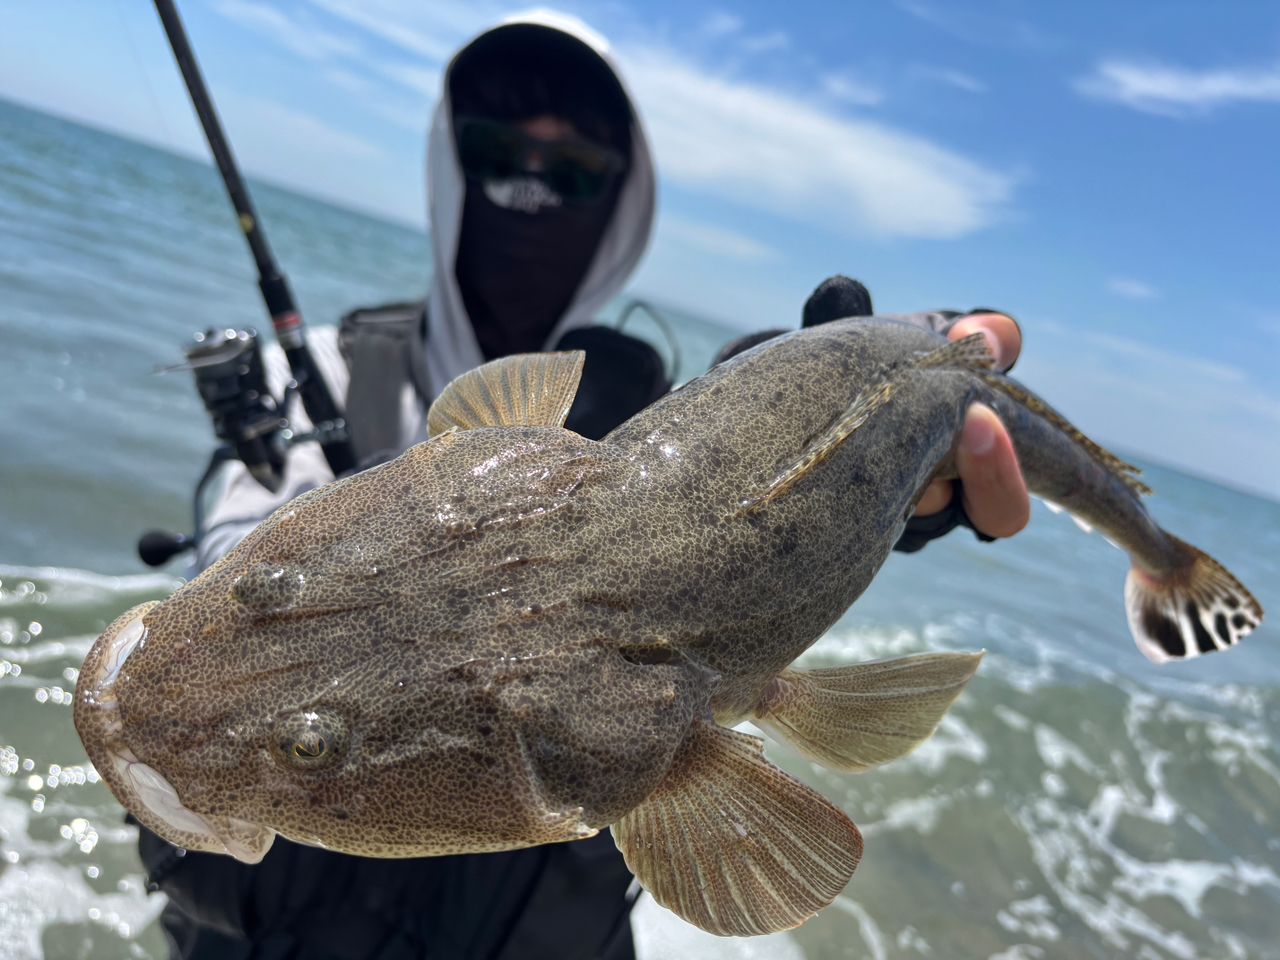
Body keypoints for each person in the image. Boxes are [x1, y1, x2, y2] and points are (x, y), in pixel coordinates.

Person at [137, 13, 1028, 960]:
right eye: (497, 153)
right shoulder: (319, 373)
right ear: (448, 166)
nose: (531, 186)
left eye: (574, 170)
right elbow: (226, 597)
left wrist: (846, 466)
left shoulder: (659, 413)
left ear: (622, 204)